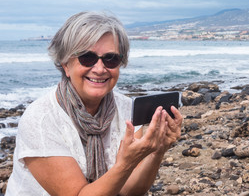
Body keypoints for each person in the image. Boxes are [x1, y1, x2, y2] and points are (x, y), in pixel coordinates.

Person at [6, 11, 183, 196]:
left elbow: (131, 191)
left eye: (111, 59)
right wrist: (126, 164)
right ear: (66, 64)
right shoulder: (41, 120)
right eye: (87, 58)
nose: (99, 69)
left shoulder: (126, 110)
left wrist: (157, 150)